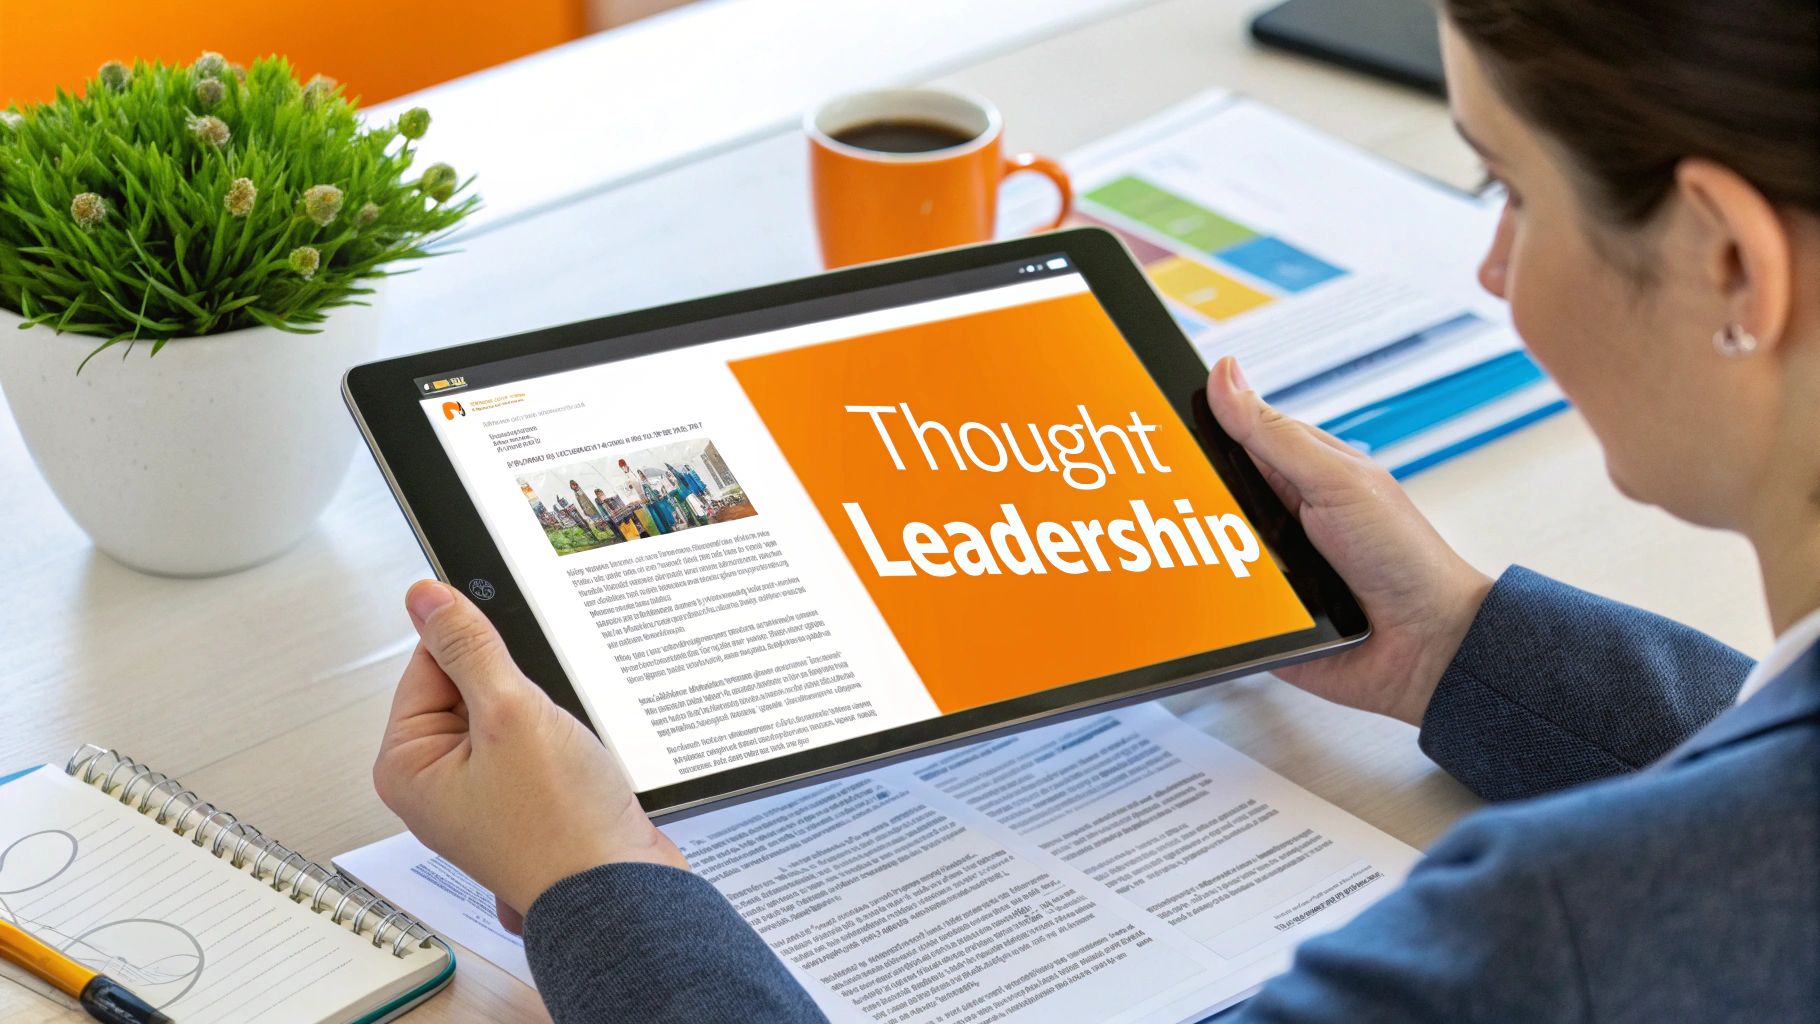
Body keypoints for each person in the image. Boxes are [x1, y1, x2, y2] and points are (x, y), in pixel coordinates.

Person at [370, 1, 1820, 1020]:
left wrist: (594, 881)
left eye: (1507, 184)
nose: (1495, 268)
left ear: (1732, 265)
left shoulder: (1553, 934)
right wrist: (1456, 647)